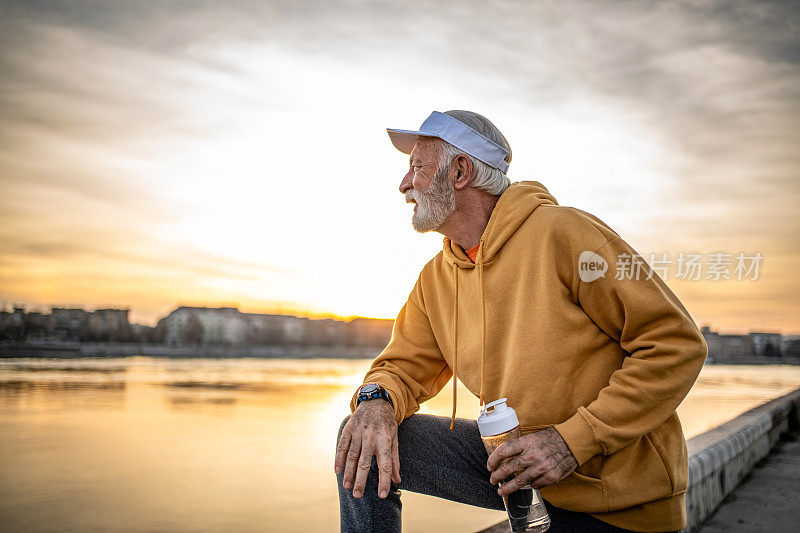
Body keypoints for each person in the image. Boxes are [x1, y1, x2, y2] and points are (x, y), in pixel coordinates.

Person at [334, 110, 707, 532]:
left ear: (460, 171)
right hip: (519, 475)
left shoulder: (564, 233)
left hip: (615, 496)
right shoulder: (436, 277)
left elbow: (676, 345)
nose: (404, 185)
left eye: (417, 168)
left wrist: (571, 441)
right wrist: (375, 400)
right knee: (359, 437)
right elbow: (401, 366)